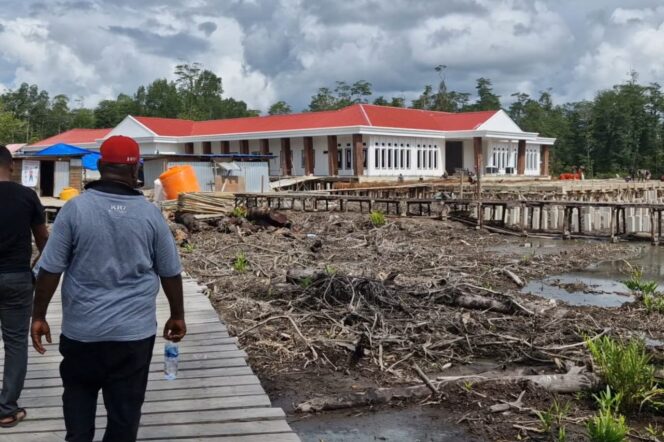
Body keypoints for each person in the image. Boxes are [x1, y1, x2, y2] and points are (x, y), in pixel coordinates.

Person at [31, 135, 186, 442]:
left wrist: (38, 315)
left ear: (101, 166)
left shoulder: (74, 210)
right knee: (123, 421)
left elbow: (50, 269)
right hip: (133, 337)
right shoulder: (150, 215)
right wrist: (177, 314)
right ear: (136, 171)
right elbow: (170, 272)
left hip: (82, 334)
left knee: (78, 413)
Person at [0, 145, 48, 428]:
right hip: (17, 278)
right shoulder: (27, 196)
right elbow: (45, 243)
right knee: (16, 343)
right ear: (12, 166)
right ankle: (6, 409)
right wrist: (32, 269)